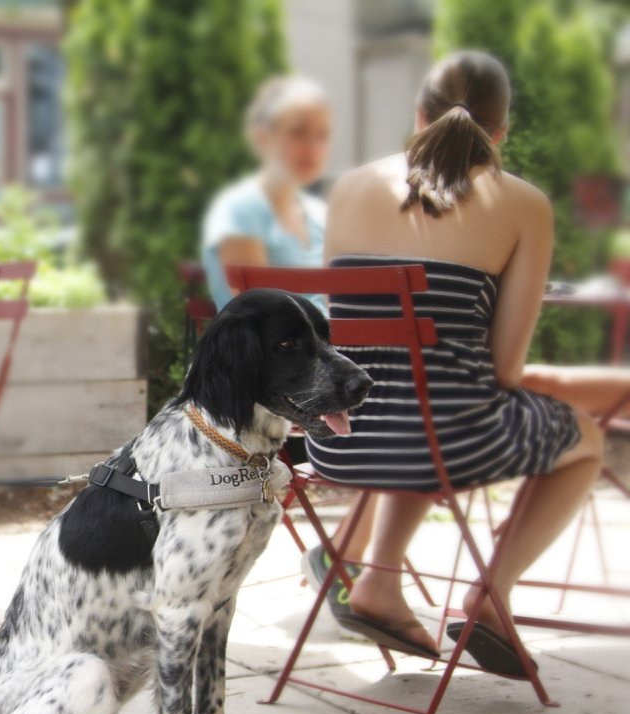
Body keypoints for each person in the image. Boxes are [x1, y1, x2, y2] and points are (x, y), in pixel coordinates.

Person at [305, 51, 628, 676]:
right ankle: (489, 599)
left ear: (420, 115)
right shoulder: (524, 204)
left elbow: (350, 336)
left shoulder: (350, 188)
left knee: (422, 401)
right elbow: (505, 372)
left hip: (341, 438)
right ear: (501, 131)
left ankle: (377, 578)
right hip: (437, 436)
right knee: (582, 438)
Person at [201, 75, 332, 312]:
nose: (313, 147)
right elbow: (262, 314)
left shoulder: (321, 214)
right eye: (298, 132)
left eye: (322, 135)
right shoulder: (239, 210)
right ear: (262, 136)